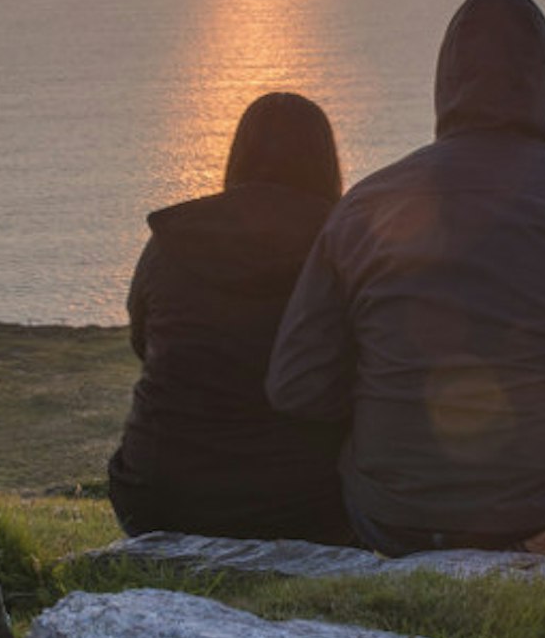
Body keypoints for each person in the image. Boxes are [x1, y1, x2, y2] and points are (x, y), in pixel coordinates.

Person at [267, 0, 545, 559]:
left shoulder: (365, 206)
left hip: (388, 524)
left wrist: (392, 389)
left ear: (445, 82)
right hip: (539, 526)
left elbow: (297, 386)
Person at [105, 91, 356, 544]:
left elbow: (144, 344)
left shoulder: (170, 241)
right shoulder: (349, 245)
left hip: (158, 500)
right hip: (306, 507)